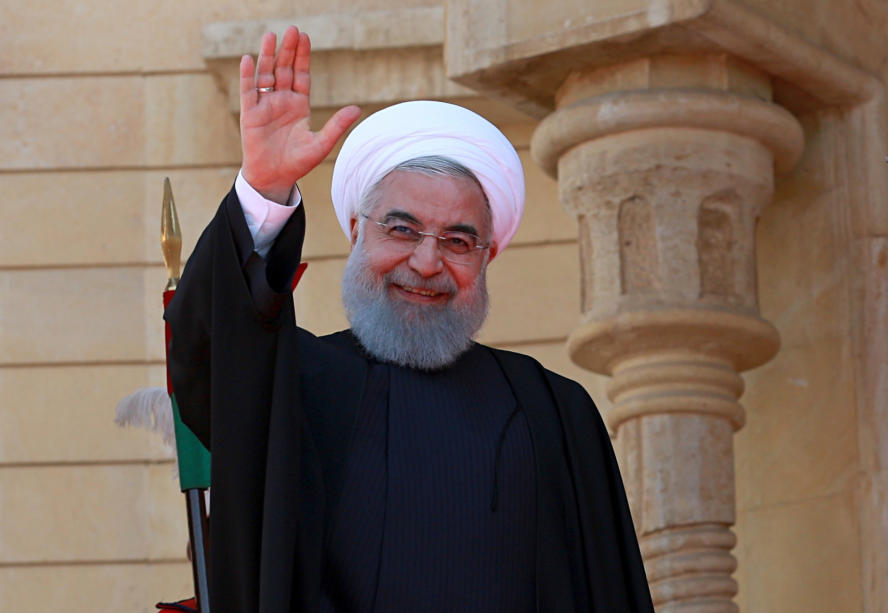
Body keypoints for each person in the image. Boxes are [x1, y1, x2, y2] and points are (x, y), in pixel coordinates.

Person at [166, 26, 653, 613]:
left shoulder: (555, 410)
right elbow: (212, 354)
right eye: (401, 229)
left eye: (458, 240)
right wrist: (265, 189)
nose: (426, 263)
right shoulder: (297, 383)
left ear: (488, 255)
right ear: (355, 230)